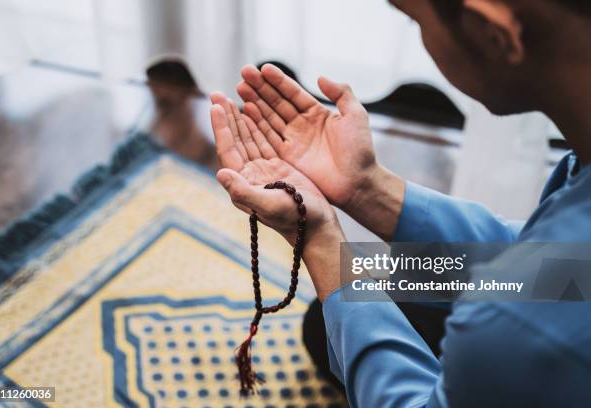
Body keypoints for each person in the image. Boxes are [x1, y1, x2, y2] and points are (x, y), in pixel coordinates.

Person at [209, 0, 591, 406]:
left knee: (350, 310)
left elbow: (542, 286)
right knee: (334, 318)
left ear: (490, 32)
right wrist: (367, 188)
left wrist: (319, 239)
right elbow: (560, 268)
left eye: (415, 21)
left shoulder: (506, 330)